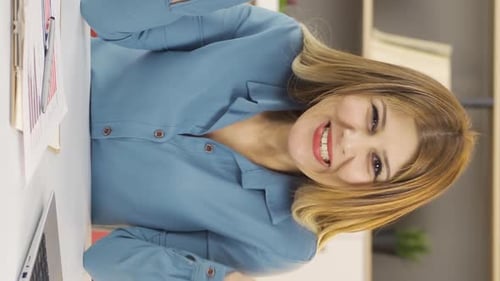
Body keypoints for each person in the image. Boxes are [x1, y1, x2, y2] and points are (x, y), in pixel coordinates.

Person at [80, 1, 476, 281]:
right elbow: (101, 11)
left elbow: (104, 260)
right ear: (363, 84)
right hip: (35, 83)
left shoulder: (281, 243)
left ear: (372, 196)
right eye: (373, 117)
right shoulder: (276, 41)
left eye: (375, 164)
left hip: (37, 189)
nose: (348, 143)